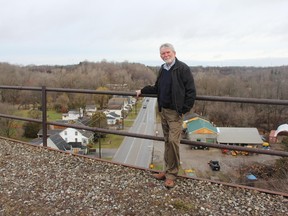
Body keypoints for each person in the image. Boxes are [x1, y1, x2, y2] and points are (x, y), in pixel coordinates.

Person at [136, 43, 196, 188]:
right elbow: (157, 88)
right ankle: (166, 171)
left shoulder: (182, 68)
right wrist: (142, 90)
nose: (165, 55)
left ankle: (172, 175)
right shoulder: (163, 69)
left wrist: (183, 109)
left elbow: (191, 91)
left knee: (174, 143)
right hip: (163, 111)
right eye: (162, 53)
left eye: (167, 52)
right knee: (167, 143)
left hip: (175, 113)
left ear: (174, 53)